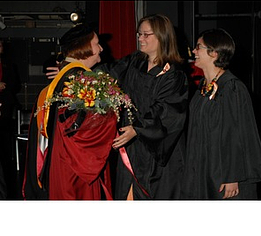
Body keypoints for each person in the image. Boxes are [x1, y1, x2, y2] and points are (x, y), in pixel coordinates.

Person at [46, 14, 189, 200]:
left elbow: (167, 110)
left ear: (162, 36)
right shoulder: (135, 61)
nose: (140, 38)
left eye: (146, 34)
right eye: (139, 34)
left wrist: (138, 128)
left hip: (158, 152)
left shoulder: (174, 75)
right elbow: (105, 73)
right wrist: (72, 70)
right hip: (130, 146)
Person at [23, 23, 118, 200]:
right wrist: (113, 118)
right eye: (96, 43)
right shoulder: (80, 81)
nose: (101, 48)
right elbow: (87, 131)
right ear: (84, 48)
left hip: (59, 162)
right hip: (75, 170)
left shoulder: (63, 78)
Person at [181, 28, 261, 200]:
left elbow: (235, 134)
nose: (194, 51)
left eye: (199, 47)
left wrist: (232, 176)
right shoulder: (204, 88)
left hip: (223, 173)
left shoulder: (232, 88)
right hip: (204, 167)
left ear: (214, 53)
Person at [0, 39, 21, 199]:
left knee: (4, 147)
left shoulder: (8, 63)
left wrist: (6, 85)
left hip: (5, 109)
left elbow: (16, 84)